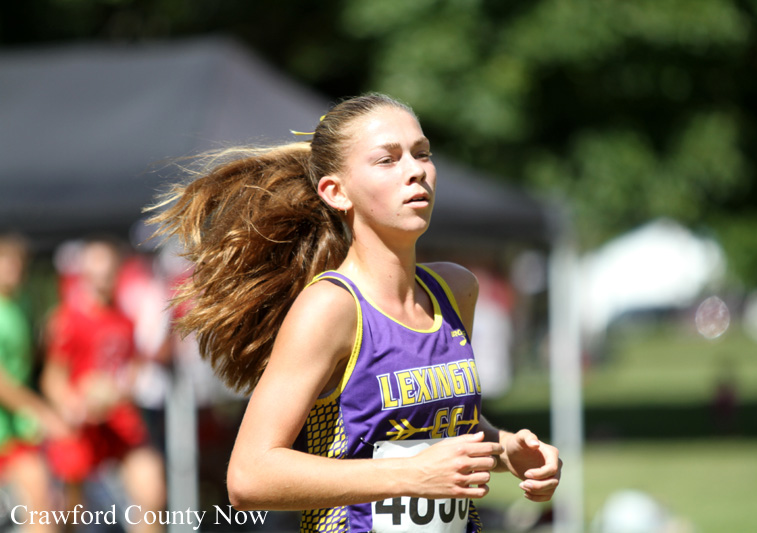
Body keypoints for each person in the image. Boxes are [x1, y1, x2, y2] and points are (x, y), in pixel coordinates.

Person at [151, 93, 561, 532]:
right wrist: (410, 476)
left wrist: (506, 449)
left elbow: (435, 426)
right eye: (387, 160)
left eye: (422, 153)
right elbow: (249, 477)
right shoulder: (331, 307)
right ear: (336, 192)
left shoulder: (455, 290)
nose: (416, 171)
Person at [40, 238, 165, 533]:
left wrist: (118, 391)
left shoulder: (125, 321)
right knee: (69, 513)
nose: (101, 280)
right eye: (95, 273)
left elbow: (132, 371)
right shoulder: (67, 319)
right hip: (80, 424)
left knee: (151, 492)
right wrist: (73, 402)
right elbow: (52, 378)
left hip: (117, 420)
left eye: (107, 272)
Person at [0, 234, 69, 533]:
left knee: (48, 505)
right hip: (8, 426)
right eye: (6, 261)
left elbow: (25, 363)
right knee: (41, 504)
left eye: (18, 262)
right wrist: (42, 412)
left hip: (15, 427)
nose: (13, 268)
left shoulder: (21, 303)